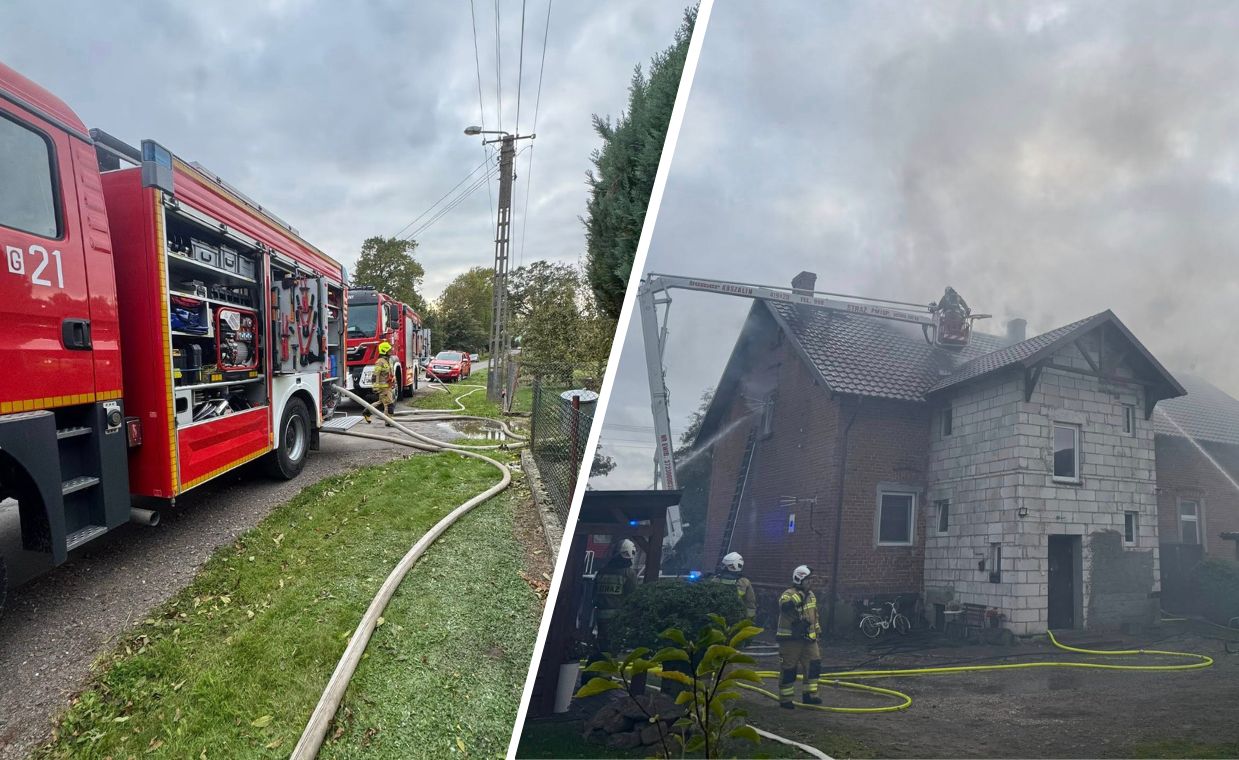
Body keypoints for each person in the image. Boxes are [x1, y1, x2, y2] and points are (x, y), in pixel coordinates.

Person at [776, 564, 823, 708]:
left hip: (809, 639)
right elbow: (785, 606)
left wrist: (817, 631)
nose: (811, 583)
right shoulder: (788, 594)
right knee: (789, 669)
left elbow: (814, 614)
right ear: (800, 580)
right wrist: (801, 594)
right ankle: (786, 699)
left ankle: (809, 695)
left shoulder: (812, 595)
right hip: (791, 639)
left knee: (814, 665)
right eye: (808, 580)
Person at [592, 539, 638, 654]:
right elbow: (633, 596)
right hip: (617, 616)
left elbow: (594, 593)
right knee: (613, 646)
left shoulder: (602, 572)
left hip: (600, 615)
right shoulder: (629, 573)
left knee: (602, 644)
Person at [710, 551, 758, 622]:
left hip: (733, 616)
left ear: (734, 565)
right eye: (723, 565)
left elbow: (750, 602)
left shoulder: (742, 581)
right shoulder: (744, 581)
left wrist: (748, 619)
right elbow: (750, 602)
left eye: (727, 565)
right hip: (725, 615)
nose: (723, 568)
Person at [364, 341, 396, 425]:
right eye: (389, 350)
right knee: (389, 404)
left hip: (388, 386)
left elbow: (391, 373)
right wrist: (375, 387)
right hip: (383, 387)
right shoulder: (380, 362)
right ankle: (389, 422)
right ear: (384, 351)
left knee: (381, 402)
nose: (391, 351)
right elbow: (375, 375)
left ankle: (366, 412)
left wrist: (394, 380)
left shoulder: (389, 360)